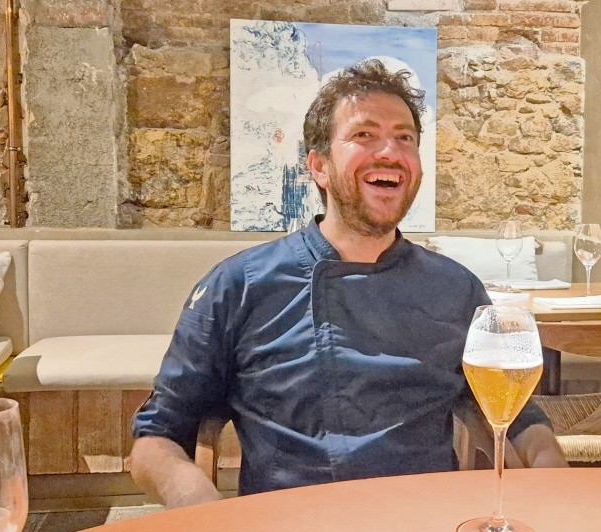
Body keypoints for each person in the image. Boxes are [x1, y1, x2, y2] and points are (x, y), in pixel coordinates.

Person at [130, 59, 567, 508]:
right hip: (289, 526)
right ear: (319, 166)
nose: (390, 151)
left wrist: (550, 468)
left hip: (427, 522)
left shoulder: (456, 288)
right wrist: (199, 503)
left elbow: (513, 414)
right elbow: (157, 437)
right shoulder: (239, 285)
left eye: (405, 138)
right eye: (364, 135)